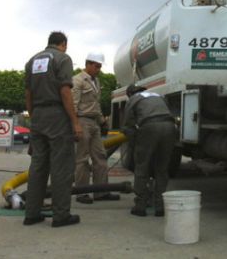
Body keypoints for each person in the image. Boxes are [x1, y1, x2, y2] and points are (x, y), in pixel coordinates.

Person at [23, 31, 83, 228]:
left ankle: (31, 214)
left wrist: (34, 120)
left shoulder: (32, 61)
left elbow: (28, 94)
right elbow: (65, 91)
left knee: (38, 166)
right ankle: (60, 216)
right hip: (57, 116)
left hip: (38, 116)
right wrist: (74, 121)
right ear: (63, 44)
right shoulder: (63, 59)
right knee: (61, 168)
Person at [120, 83, 177, 217]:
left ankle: (140, 206)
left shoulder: (133, 99)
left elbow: (128, 126)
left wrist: (135, 144)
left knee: (142, 167)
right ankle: (160, 206)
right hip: (170, 127)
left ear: (129, 94)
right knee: (162, 168)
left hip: (150, 127)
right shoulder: (158, 95)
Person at [72, 52, 121, 204]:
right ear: (88, 64)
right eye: (96, 66)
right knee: (82, 159)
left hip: (94, 123)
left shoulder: (96, 81)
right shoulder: (77, 80)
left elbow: (96, 105)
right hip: (82, 121)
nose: (98, 69)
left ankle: (101, 192)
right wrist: (75, 125)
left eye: (100, 66)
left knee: (100, 157)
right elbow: (73, 104)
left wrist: (102, 121)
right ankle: (82, 193)